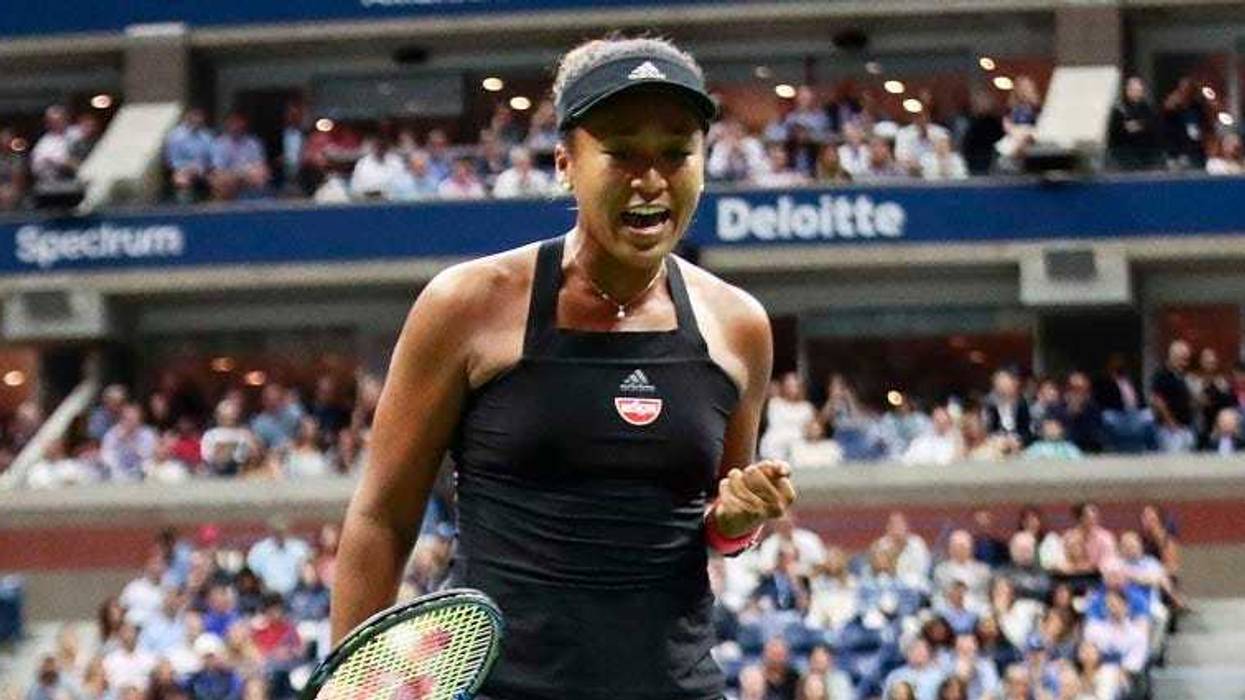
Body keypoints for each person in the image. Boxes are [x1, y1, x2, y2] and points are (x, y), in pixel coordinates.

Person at [330, 36, 797, 700]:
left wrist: (739, 518)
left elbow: (715, 530)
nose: (651, 179)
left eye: (675, 154)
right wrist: (351, 689)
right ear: (564, 164)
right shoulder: (467, 305)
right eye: (621, 153)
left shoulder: (738, 326)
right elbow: (381, 517)